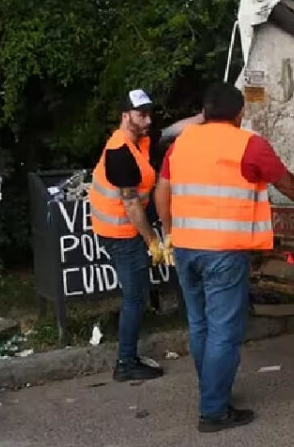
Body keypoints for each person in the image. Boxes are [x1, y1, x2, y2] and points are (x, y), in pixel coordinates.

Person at [153, 81, 294, 433]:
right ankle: (214, 410)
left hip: (186, 249)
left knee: (200, 324)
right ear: (239, 113)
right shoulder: (249, 144)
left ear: (203, 114)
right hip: (223, 253)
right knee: (223, 330)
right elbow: (287, 183)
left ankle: (211, 394)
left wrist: (169, 232)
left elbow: (162, 190)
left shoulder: (181, 143)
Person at [88, 89, 200, 382]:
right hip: (121, 233)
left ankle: (128, 358)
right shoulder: (120, 152)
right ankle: (125, 363)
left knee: (136, 295)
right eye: (141, 114)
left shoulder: (140, 140)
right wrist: (152, 241)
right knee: (135, 297)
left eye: (149, 113)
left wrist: (205, 118)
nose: (148, 119)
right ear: (126, 116)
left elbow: (171, 131)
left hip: (126, 228)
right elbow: (131, 206)